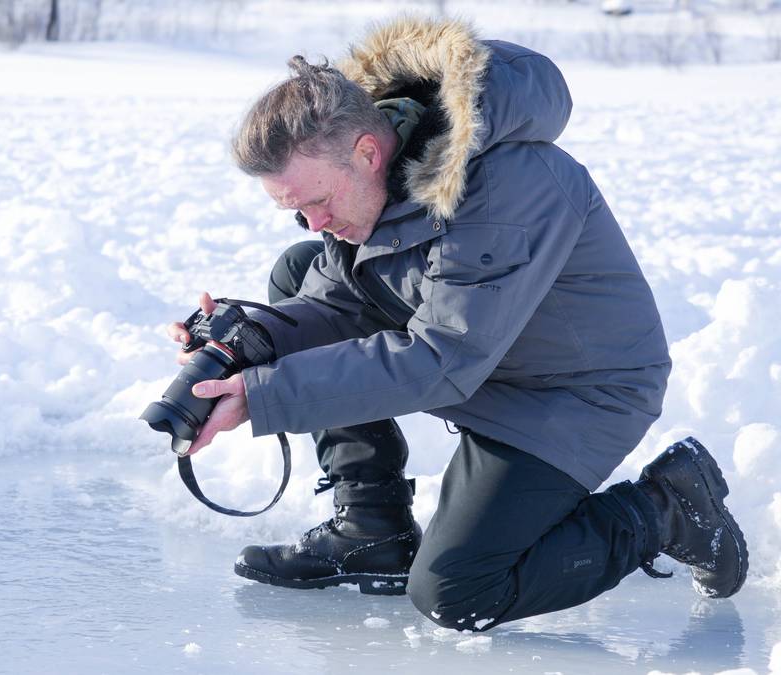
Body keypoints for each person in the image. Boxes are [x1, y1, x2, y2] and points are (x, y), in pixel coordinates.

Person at [165, 17, 747, 631]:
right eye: (294, 209)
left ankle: (667, 509)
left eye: (316, 202)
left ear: (366, 151)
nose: (314, 222)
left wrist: (263, 397)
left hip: (568, 393)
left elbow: (442, 357)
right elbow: (336, 302)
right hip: (486, 360)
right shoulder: (373, 181)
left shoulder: (505, 186)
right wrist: (241, 345)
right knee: (298, 271)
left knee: (458, 592)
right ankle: (372, 531)